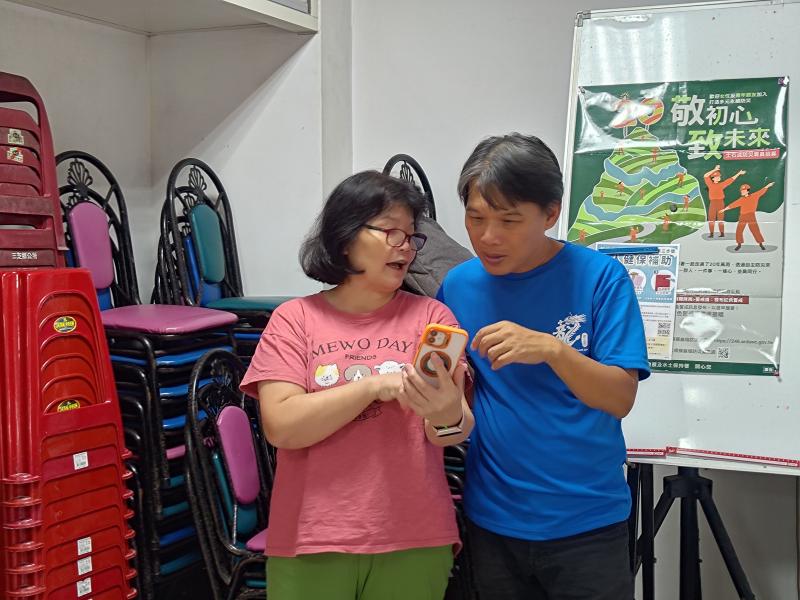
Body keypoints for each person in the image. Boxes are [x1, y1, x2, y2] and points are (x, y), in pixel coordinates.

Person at [240, 171, 474, 600]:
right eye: (391, 232)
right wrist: (372, 388)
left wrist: (444, 411)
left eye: (411, 236)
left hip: (414, 537)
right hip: (312, 538)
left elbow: (451, 430)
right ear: (346, 238)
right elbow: (282, 426)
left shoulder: (432, 318)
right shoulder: (294, 319)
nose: (405, 246)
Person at [437, 133, 650, 600]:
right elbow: (451, 395)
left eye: (509, 220)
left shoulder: (600, 278)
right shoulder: (457, 286)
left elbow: (620, 397)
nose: (487, 237)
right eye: (476, 218)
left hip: (588, 523)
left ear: (550, 214)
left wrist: (554, 350)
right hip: (492, 520)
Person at [720, 181, 774, 251]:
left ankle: (760, 244)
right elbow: (733, 205)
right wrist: (724, 209)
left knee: (755, 230)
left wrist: (768, 185)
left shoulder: (754, 196)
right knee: (739, 230)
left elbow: (762, 191)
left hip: (751, 216)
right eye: (741, 190)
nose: (742, 192)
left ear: (747, 191)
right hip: (742, 216)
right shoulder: (741, 199)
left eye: (743, 190)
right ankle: (739, 245)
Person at [704, 164, 745, 237]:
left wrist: (738, 173)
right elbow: (705, 176)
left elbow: (730, 180)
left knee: (720, 218)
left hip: (720, 203)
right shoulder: (710, 184)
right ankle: (711, 233)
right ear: (712, 178)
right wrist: (715, 169)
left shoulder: (721, 184)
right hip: (713, 203)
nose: (718, 178)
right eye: (717, 177)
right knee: (711, 218)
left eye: (719, 177)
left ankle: (722, 233)